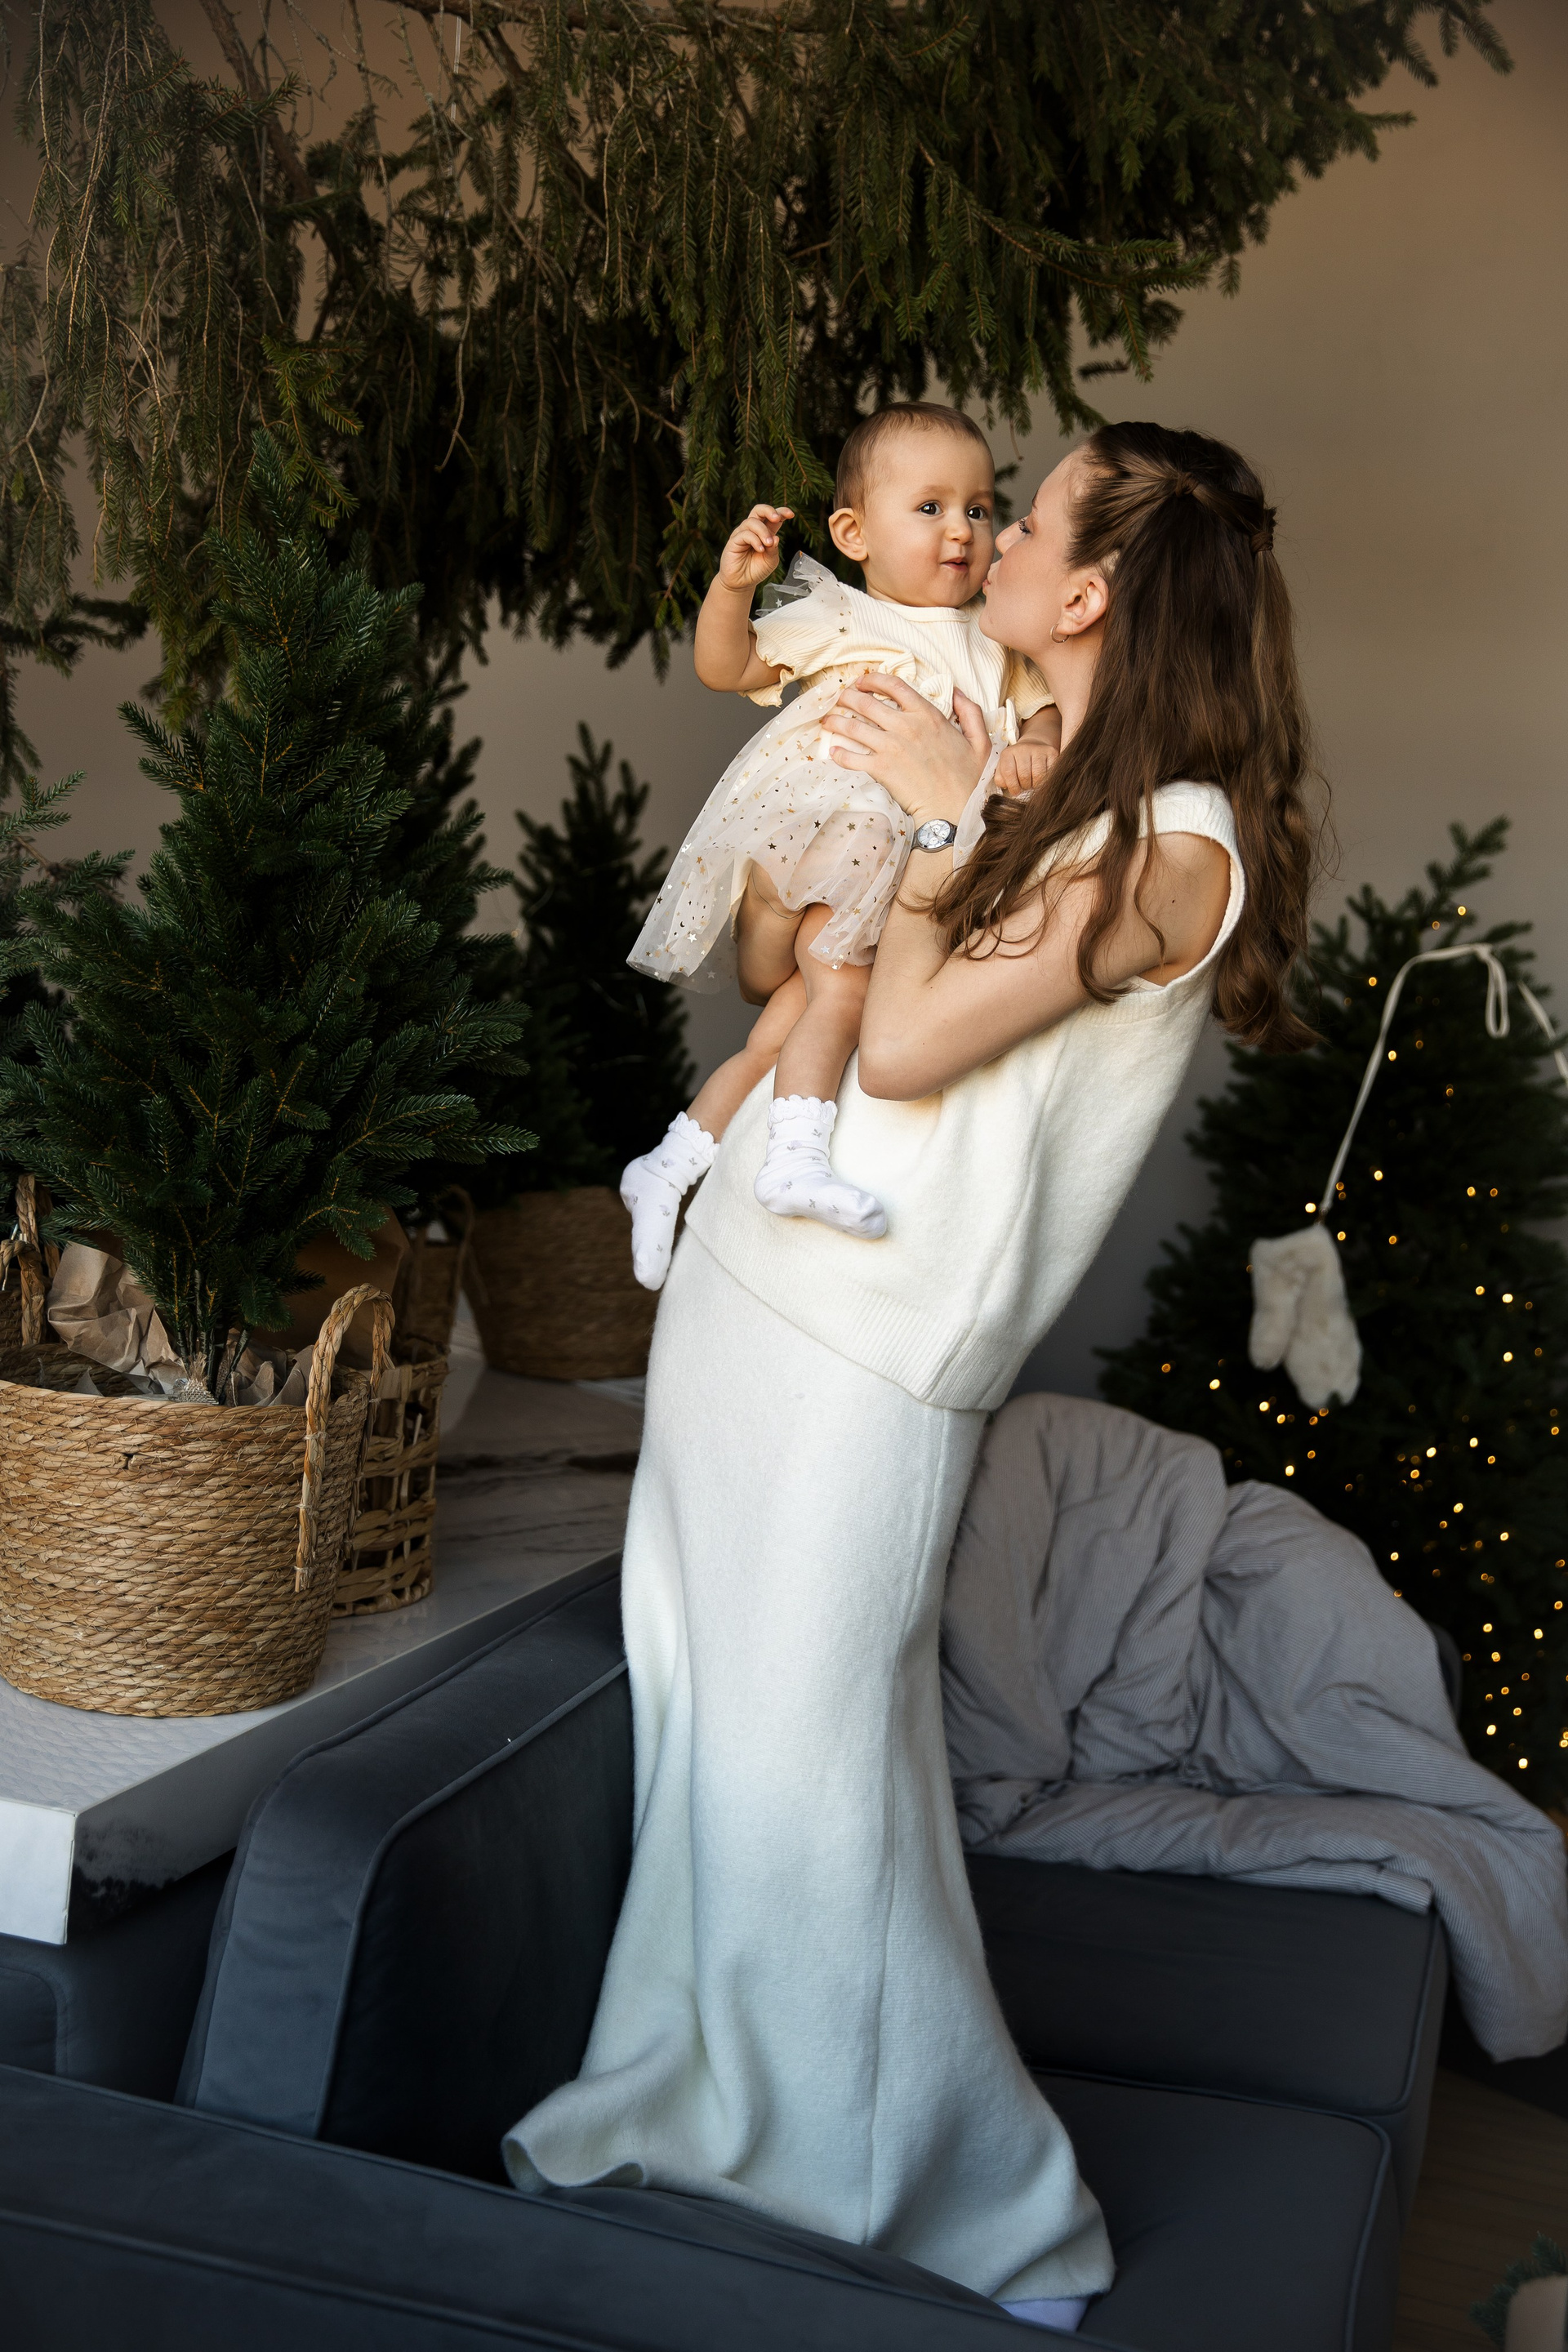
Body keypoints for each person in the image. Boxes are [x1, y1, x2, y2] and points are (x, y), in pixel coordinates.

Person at [506, 421, 1319, 2330]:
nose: (994, 537)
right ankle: (690, 2111)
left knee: (820, 1773)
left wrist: (945, 829)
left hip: (877, 1340)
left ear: (1093, 588)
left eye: (1029, 517)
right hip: (756, 1278)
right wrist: (858, 849)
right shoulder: (1009, 752)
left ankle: (968, 2201)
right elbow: (784, 959)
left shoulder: (1176, 843)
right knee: (711, 1719)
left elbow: (911, 1044)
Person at [620, 401, 1062, 1288]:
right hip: (835, 831)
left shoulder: (998, 638)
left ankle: (670, 1162)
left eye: (979, 509)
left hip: (904, 862)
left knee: (785, 1026)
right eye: (930, 507)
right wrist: (734, 588)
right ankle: (795, 1159)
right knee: (844, 993)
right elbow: (727, 667)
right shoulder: (838, 614)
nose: (962, 530)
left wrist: (1038, 748)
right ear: (854, 534)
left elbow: (1045, 715)